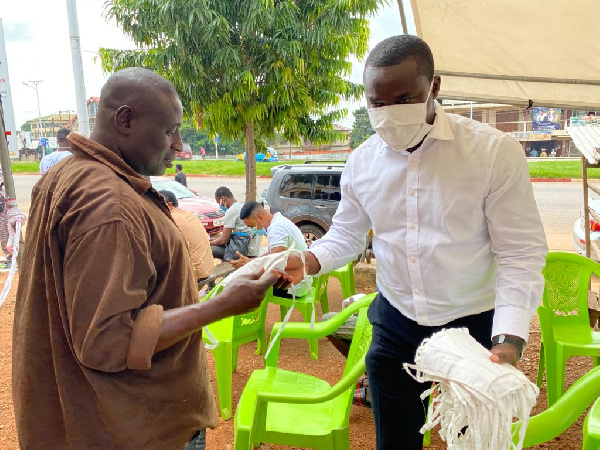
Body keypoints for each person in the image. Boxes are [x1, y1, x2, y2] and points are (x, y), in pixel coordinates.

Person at [285, 35, 547, 449]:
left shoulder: (492, 153)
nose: (388, 114)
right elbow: (347, 234)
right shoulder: (362, 162)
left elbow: (519, 252)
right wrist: (310, 259)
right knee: (395, 438)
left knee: (471, 438)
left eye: (403, 98)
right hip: (396, 320)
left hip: (473, 321)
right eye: (376, 103)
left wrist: (509, 337)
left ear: (434, 88)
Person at [12, 67, 289, 450]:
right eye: (168, 130)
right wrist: (224, 305)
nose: (178, 144)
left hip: (92, 419)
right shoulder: (110, 205)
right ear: (125, 119)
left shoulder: (66, 176)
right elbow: (107, 340)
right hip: (133, 427)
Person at [237, 201, 311, 297]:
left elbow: (276, 261)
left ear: (260, 217)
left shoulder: (277, 229)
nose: (252, 229)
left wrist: (250, 265)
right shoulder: (278, 221)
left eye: (251, 226)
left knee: (244, 288)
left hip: (294, 284)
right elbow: (272, 253)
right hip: (300, 278)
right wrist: (251, 261)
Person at [159, 190, 214, 281]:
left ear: (169, 205)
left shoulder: (170, 220)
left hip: (194, 273)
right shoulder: (190, 215)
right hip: (207, 267)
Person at [209, 186, 261, 261]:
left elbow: (223, 241)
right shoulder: (242, 206)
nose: (220, 206)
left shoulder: (232, 211)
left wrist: (209, 243)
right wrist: (215, 240)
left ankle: (222, 270)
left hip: (246, 252)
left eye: (219, 203)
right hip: (254, 249)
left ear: (223, 199)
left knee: (209, 249)